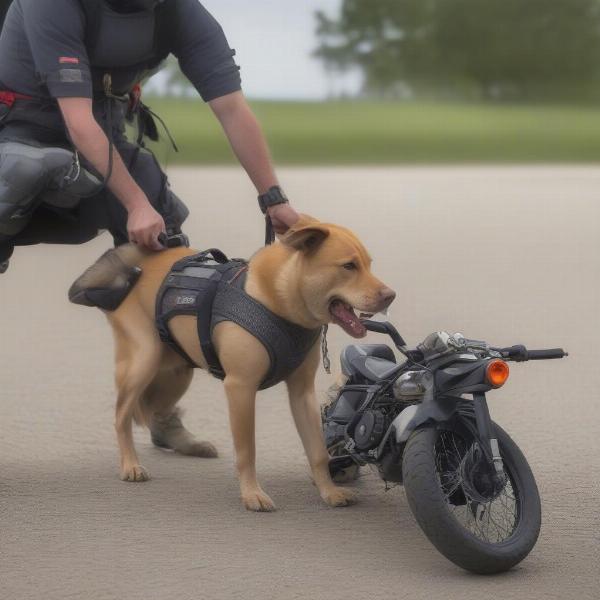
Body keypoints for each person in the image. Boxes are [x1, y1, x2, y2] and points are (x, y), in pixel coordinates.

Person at [0, 0, 299, 273]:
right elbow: (78, 120)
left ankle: (151, 318)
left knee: (160, 228)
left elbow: (231, 109)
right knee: (25, 168)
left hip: (103, 132)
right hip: (19, 129)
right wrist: (135, 204)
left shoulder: (178, 11)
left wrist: (273, 199)